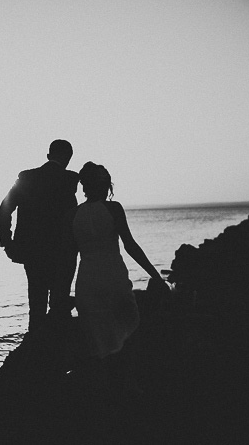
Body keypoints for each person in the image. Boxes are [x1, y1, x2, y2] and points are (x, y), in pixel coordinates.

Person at [64, 161, 168, 392]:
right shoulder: (114, 209)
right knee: (128, 334)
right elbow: (130, 245)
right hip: (113, 280)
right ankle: (126, 390)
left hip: (87, 284)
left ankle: (102, 397)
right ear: (104, 185)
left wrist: (62, 294)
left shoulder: (73, 215)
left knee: (97, 345)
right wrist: (156, 277)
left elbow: (70, 258)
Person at [0, 140, 79, 332]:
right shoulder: (70, 180)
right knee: (60, 303)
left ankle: (36, 346)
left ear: (48, 155)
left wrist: (8, 243)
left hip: (32, 252)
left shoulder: (27, 178)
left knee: (36, 302)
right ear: (68, 158)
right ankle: (57, 349)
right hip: (63, 252)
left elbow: (4, 210)